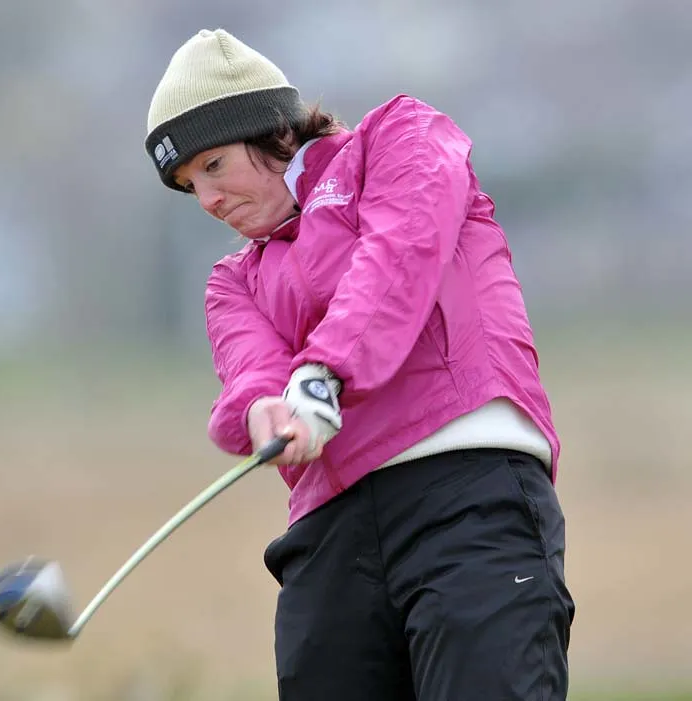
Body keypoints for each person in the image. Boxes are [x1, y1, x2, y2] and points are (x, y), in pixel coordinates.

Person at [143, 27, 575, 701]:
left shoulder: (400, 138)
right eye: (188, 183)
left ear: (273, 132)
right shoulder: (233, 281)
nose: (207, 200)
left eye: (215, 166)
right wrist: (265, 411)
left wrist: (323, 373)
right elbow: (250, 374)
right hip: (331, 537)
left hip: (470, 497)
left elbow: (399, 256)